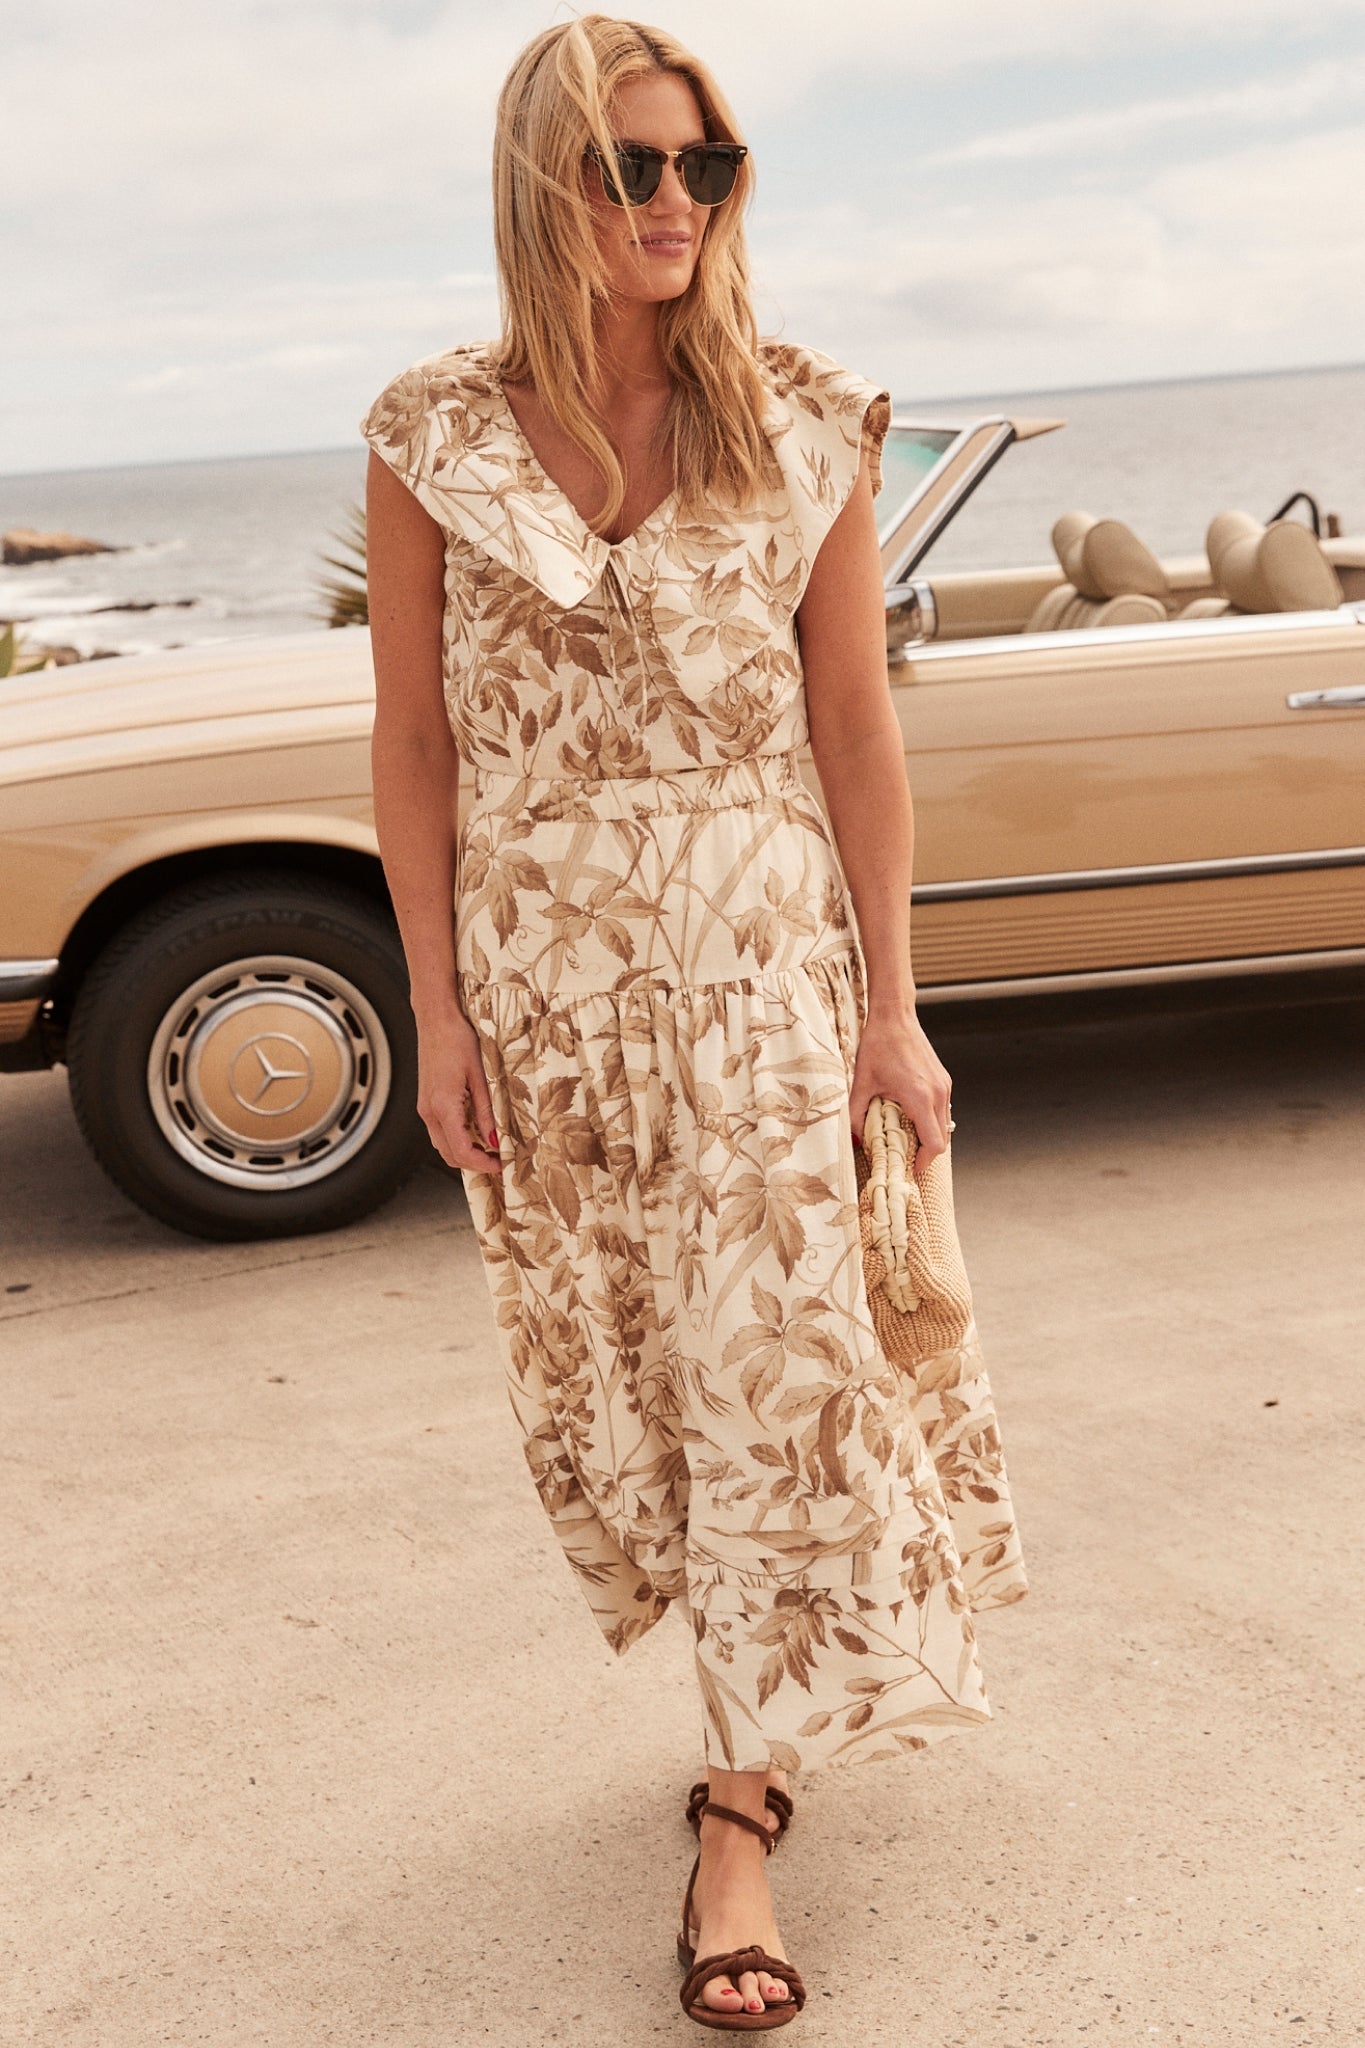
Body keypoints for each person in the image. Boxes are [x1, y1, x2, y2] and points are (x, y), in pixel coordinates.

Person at [361, 13, 1027, 2031]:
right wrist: (436, 1009)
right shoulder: (431, 435)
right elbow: (410, 739)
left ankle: (737, 1810)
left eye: (698, 168)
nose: (666, 205)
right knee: (641, 1382)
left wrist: (889, 1013)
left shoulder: (801, 419)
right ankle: (743, 1725)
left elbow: (851, 728)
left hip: (757, 986)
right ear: (538, 184)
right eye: (623, 167)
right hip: (552, 999)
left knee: (775, 1372)